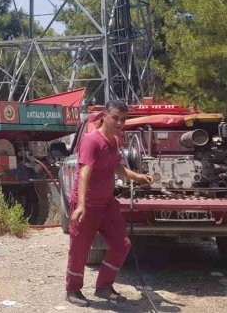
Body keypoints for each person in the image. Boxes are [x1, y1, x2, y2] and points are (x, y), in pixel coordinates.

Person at [65, 100, 153, 307]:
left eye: (123, 119)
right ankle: (73, 289)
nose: (120, 123)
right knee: (80, 249)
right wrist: (81, 206)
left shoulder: (115, 140)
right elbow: (85, 173)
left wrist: (138, 177)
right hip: (86, 204)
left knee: (122, 244)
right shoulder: (91, 141)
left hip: (106, 203)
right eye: (116, 118)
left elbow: (118, 168)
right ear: (104, 116)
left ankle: (104, 286)